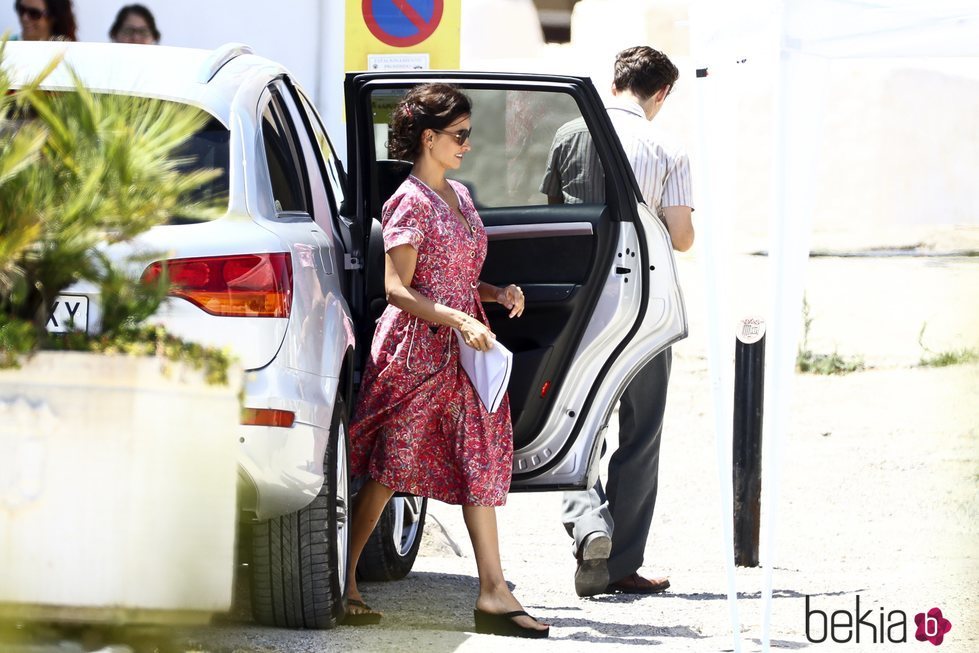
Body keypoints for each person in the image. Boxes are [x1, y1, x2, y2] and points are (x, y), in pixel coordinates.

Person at [345, 83, 548, 638]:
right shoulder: (409, 200)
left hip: (465, 348)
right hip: (418, 349)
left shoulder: (459, 195)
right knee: (392, 467)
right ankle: (345, 580)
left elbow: (455, 277)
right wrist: (460, 319)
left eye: (469, 134)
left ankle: (492, 591)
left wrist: (495, 292)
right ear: (428, 139)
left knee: (479, 461)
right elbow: (397, 288)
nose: (466, 144)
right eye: (458, 135)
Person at [541, 45, 694, 597]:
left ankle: (586, 527)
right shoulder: (666, 146)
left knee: (569, 427)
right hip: (644, 306)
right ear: (662, 92)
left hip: (579, 303)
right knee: (641, 431)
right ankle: (619, 564)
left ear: (613, 84)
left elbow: (553, 213)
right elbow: (680, 237)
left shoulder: (567, 135)